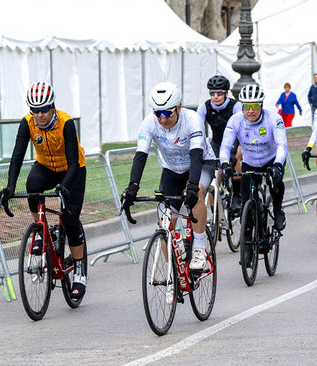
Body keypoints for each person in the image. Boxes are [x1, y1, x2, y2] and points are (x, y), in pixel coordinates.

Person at [121, 82, 216, 289]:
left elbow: (197, 155)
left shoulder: (192, 120)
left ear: (179, 107)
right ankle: (174, 269)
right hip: (172, 170)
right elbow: (140, 156)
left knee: (197, 193)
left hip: (201, 164)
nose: (163, 119)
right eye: (158, 113)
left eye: (168, 113)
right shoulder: (149, 123)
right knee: (165, 220)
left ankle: (199, 248)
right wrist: (132, 187)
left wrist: (192, 186)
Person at [0, 82, 89, 300]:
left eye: (43, 109)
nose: (39, 114)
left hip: (72, 169)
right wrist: (10, 187)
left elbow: (73, 162)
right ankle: (40, 230)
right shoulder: (28, 123)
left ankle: (79, 271)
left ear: (52, 107)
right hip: (46, 166)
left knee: (69, 218)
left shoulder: (66, 123)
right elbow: (17, 155)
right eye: (34, 110)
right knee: (32, 185)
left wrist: (65, 186)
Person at [219, 84, 289, 231]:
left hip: (271, 159)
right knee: (246, 203)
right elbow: (225, 147)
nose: (250, 111)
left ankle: (277, 210)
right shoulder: (235, 120)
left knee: (275, 184)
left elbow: (282, 145)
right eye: (247, 106)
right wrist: (225, 164)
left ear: (261, 105)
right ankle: (249, 239)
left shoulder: (274, 118)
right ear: (242, 107)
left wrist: (277, 165)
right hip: (249, 163)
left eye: (255, 106)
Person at [197, 75, 243, 210]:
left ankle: (237, 196)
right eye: (212, 93)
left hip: (236, 141)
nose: (216, 96)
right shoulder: (205, 107)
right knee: (214, 175)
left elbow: (241, 129)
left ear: (226, 94)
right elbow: (198, 128)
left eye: (219, 93)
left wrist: (233, 152)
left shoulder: (236, 106)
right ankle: (215, 209)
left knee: (234, 161)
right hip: (217, 142)